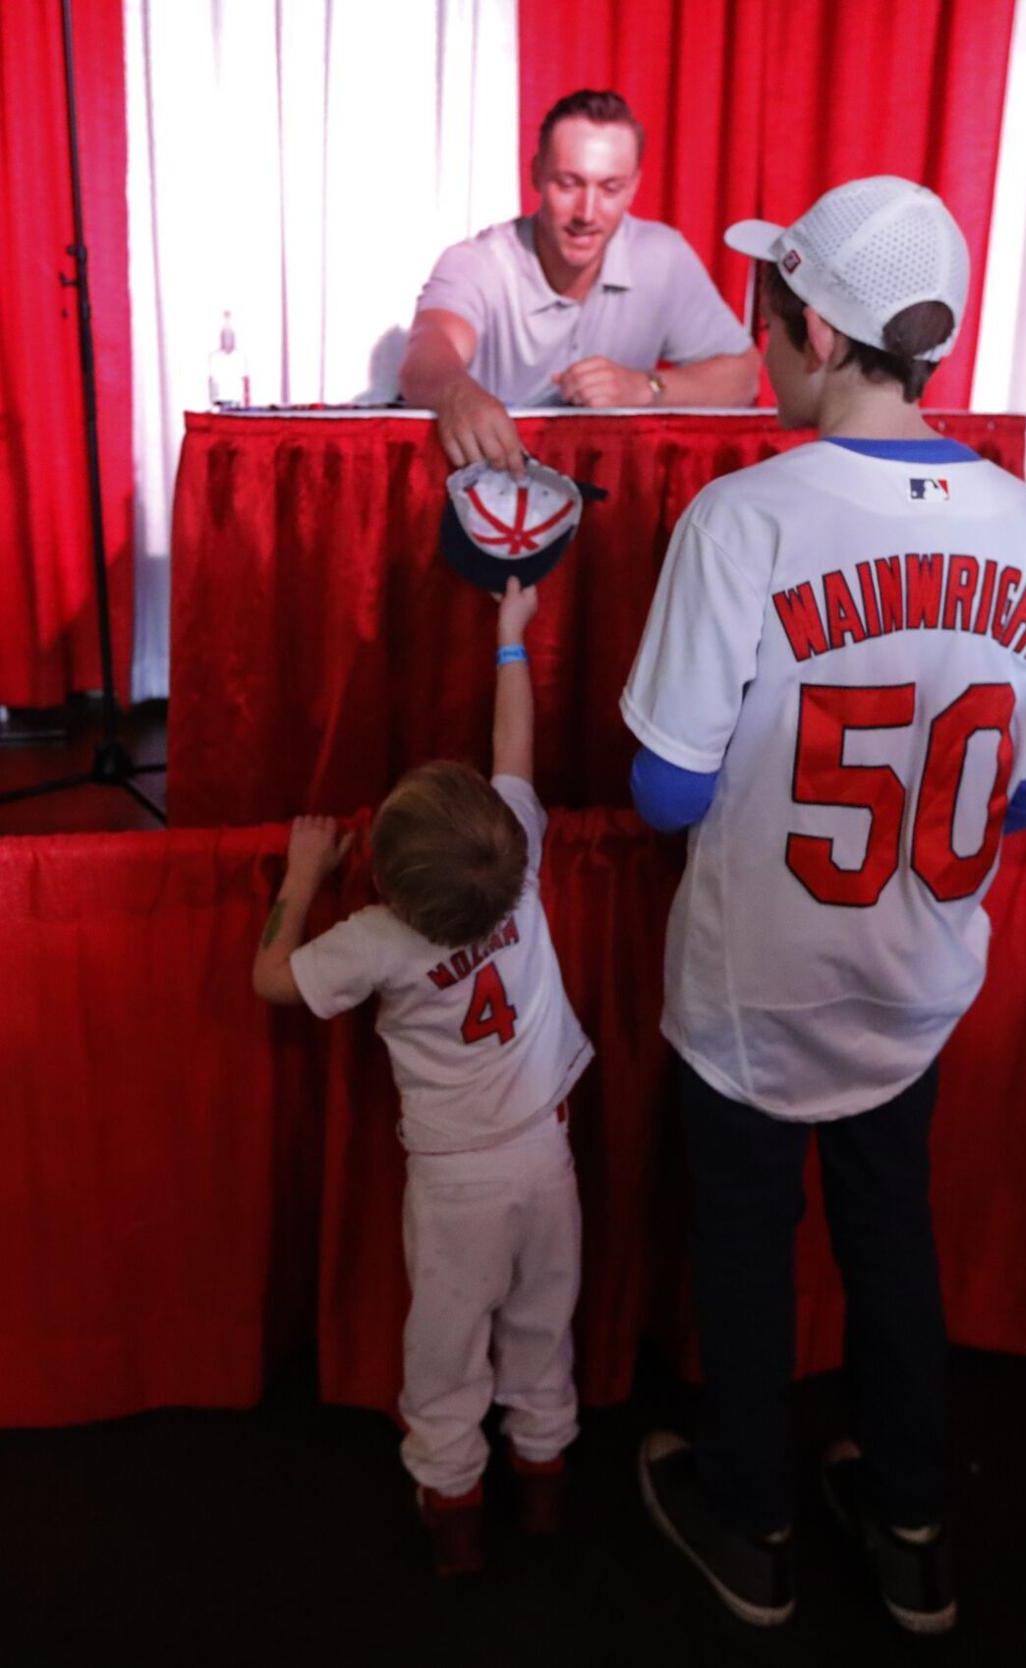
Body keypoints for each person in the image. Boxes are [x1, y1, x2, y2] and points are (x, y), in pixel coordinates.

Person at [620, 176, 1026, 1634]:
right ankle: (909, 1526)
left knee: (748, 1244)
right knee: (894, 1234)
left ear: (814, 327)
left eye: (769, 312)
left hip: (757, 987)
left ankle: (753, 1526)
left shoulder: (739, 518)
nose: (761, 341)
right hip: (915, 977)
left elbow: (666, 797)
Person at [252, 577, 592, 1577]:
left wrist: (301, 877)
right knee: (542, 1321)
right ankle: (544, 1472)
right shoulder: (520, 867)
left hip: (455, 1187)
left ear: (389, 886)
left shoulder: (378, 939)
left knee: (446, 1350)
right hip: (547, 1159)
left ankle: (453, 1501)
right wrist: (511, 637)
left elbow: (273, 980)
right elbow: (514, 752)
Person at [398, 89, 759, 477]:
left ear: (634, 186)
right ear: (535, 173)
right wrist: (458, 395)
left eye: (610, 188)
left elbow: (744, 378)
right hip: (491, 497)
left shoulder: (663, 255)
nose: (587, 213)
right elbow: (426, 356)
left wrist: (645, 388)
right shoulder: (476, 261)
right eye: (569, 183)